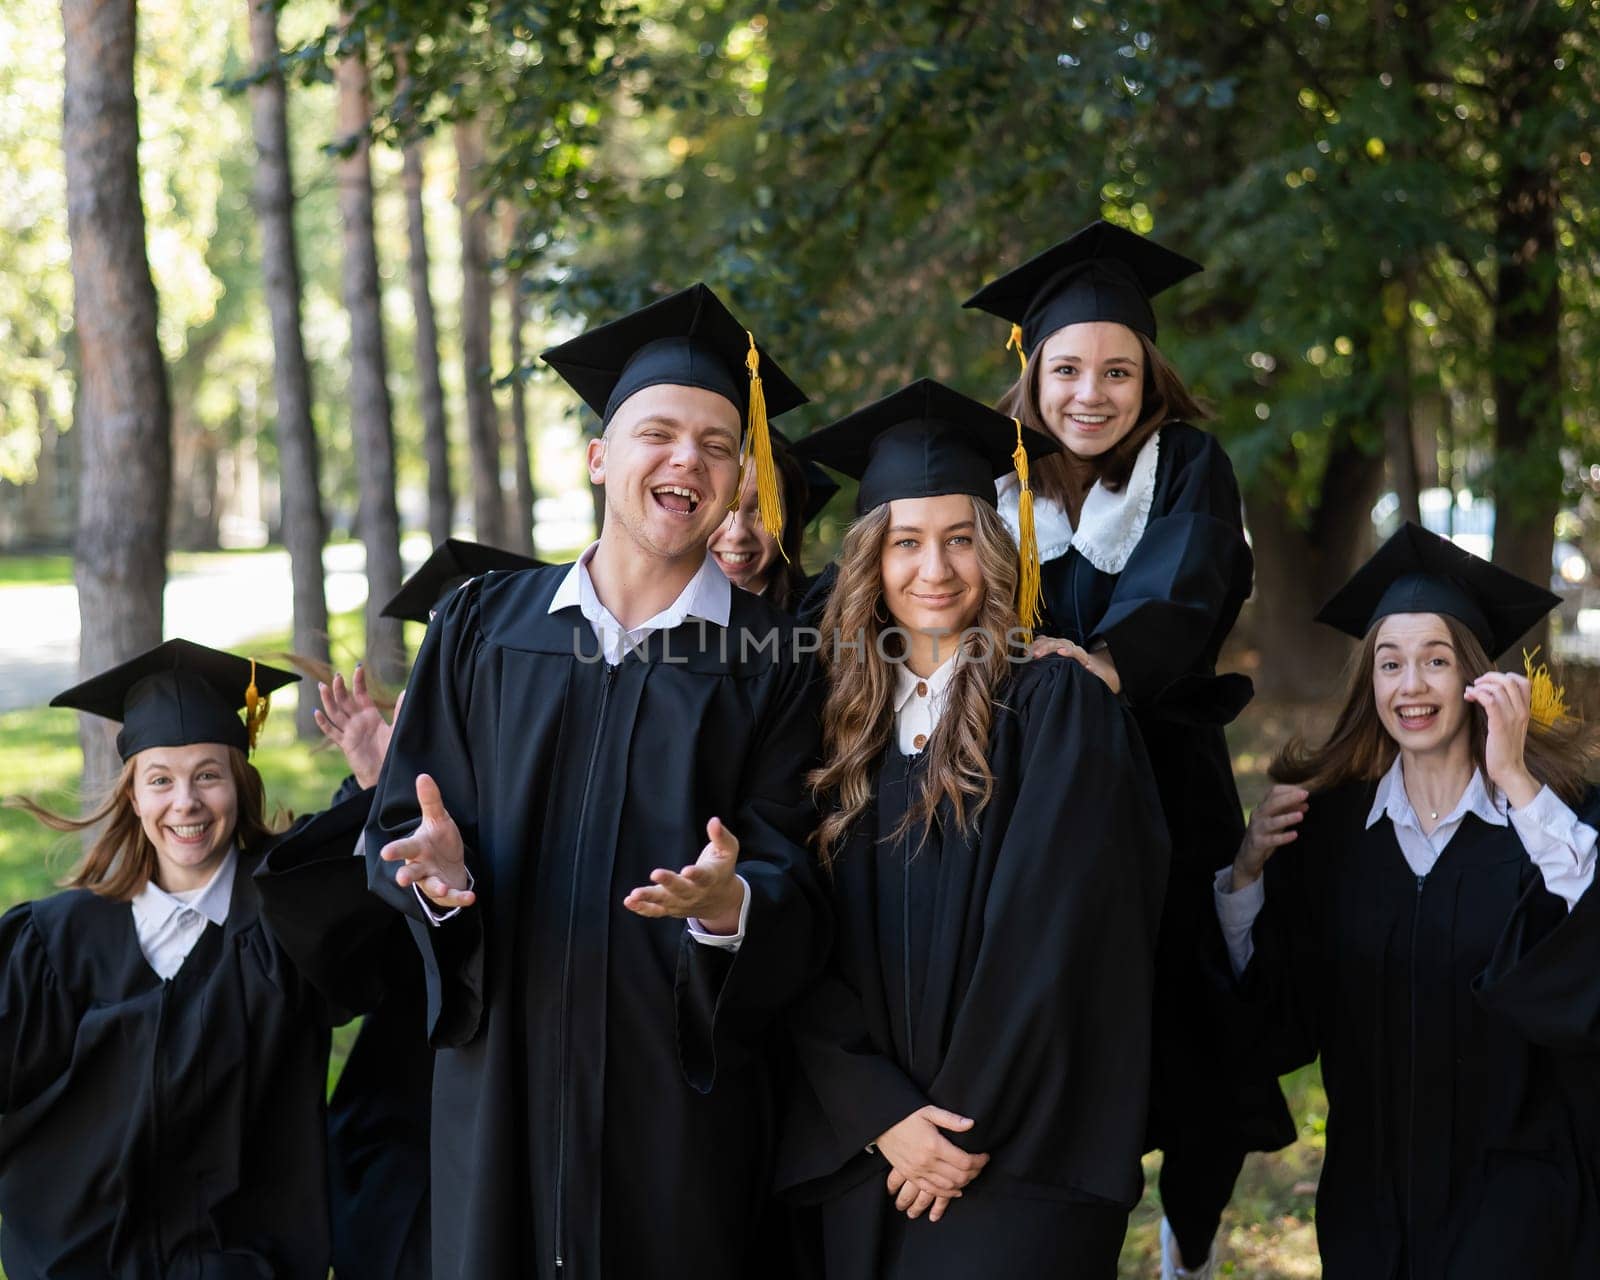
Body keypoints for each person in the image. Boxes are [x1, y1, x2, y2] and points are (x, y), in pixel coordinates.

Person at [361, 283, 830, 1280]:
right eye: (656, 433)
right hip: (502, 1090)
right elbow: (401, 822)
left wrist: (728, 903)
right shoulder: (486, 626)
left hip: (670, 1098)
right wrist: (436, 880)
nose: (685, 461)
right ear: (599, 457)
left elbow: (797, 868)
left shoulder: (774, 660)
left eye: (715, 443)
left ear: (740, 474)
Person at [778, 379, 1170, 1278]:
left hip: (1017, 1156)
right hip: (869, 1156)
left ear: (997, 551)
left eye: (960, 539)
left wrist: (950, 1129)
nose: (936, 569)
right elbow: (798, 935)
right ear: (870, 562)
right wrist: (880, 1114)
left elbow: (1058, 939)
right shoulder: (835, 728)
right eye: (906, 543)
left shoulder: (1053, 705)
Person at [964, 218, 1289, 1277]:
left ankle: (1186, 1246)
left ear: (1149, 375)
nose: (1090, 393)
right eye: (1067, 369)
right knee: (1066, 1018)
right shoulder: (993, 481)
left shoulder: (1187, 462)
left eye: (1115, 369)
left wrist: (1107, 659)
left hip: (1166, 780)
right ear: (1033, 373)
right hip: (1034, 798)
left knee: (1196, 1043)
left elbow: (1190, 581)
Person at [1214, 522, 1600, 1279]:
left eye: (1436, 660)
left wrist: (1518, 782)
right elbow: (1278, 1010)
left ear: (1477, 678)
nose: (1411, 685)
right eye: (1390, 663)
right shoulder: (1330, 833)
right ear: (1370, 684)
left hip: (1520, 1197)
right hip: (1368, 1201)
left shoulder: (1554, 816)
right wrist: (1249, 874)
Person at [0, 640, 339, 1279]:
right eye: (160, 779)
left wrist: (378, 783)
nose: (184, 802)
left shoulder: (287, 918)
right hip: (85, 1264)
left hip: (245, 1266)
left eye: (207, 774)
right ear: (133, 796)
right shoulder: (59, 943)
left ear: (239, 784)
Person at [255, 538, 542, 1280]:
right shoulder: (412, 790)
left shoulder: (569, 775)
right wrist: (375, 793)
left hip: (541, 1109)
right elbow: (341, 964)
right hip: (411, 1116)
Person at [707, 427, 838, 611]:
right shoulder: (657, 620)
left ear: (789, 520)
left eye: (762, 509)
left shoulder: (822, 623)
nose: (736, 534)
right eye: (722, 506)